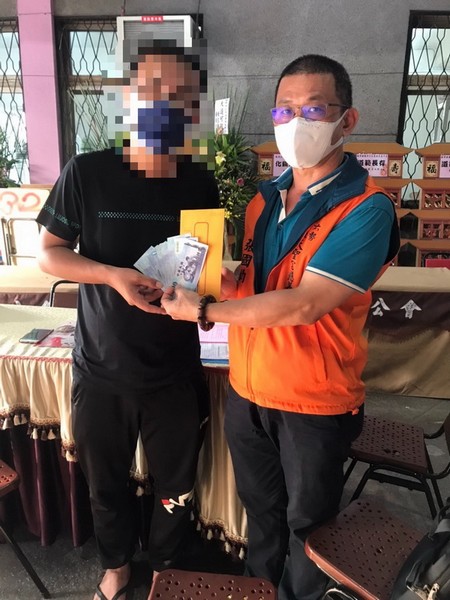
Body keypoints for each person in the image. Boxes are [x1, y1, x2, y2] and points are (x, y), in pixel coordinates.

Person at [161, 54, 400, 600]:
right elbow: (261, 286)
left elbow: (304, 305)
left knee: (309, 532)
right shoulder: (262, 202)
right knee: (261, 518)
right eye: (284, 110)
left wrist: (204, 311)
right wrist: (219, 281)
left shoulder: (365, 209)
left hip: (313, 405)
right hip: (248, 395)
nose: (296, 123)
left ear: (347, 119)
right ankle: (261, 590)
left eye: (313, 109)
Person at [36, 37, 218, 600]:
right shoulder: (87, 172)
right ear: (127, 97)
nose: (165, 103)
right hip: (102, 368)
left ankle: (164, 564)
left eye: (180, 94)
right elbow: (50, 254)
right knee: (106, 483)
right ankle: (115, 565)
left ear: (192, 107)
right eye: (152, 88)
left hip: (175, 371)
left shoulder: (199, 181)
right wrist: (112, 275)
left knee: (176, 487)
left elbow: (205, 267)